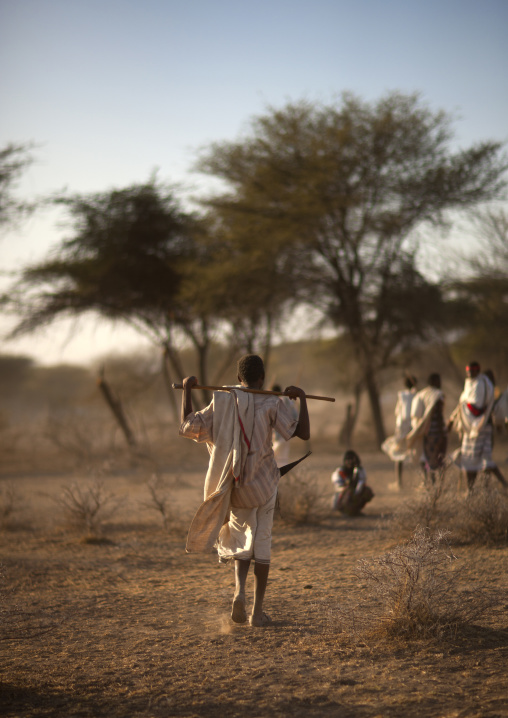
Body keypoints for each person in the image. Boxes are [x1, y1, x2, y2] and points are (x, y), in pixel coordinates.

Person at [179, 354, 310, 628]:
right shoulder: (273, 400)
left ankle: (239, 592)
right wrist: (302, 399)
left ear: (239, 379)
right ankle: (257, 612)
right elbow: (303, 433)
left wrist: (188, 390)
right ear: (261, 378)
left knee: (241, 538)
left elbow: (189, 426)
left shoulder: (223, 399)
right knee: (262, 541)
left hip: (234, 485)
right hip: (263, 484)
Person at [448, 362, 507, 492]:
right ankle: (483, 489)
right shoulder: (485, 388)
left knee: (472, 460)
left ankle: (474, 491)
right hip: (482, 428)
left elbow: (477, 410)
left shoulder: (484, 388)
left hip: (478, 429)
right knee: (482, 461)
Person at [407, 373, 447, 484]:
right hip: (436, 432)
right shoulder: (438, 395)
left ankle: (428, 480)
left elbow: (415, 414)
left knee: (426, 456)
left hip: (424, 432)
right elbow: (438, 414)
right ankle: (435, 482)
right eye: (438, 381)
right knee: (436, 457)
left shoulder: (421, 395)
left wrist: (419, 428)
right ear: (434, 382)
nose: (440, 383)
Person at [381, 374, 417, 488]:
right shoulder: (417, 395)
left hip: (403, 428)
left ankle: (399, 482)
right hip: (414, 427)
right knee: (419, 453)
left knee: (399, 454)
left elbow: (398, 412)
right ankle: (424, 482)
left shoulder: (403, 396)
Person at [331, 450, 374, 516]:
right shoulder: (340, 472)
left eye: (351, 459)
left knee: (367, 491)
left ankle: (356, 510)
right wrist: (347, 485)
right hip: (341, 498)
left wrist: (356, 488)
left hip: (353, 494)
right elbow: (338, 486)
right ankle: (344, 511)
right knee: (349, 491)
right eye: (348, 460)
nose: (349, 462)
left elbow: (362, 482)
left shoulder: (358, 470)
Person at [271, 383, 299, 468]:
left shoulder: (275, 402)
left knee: (275, 455)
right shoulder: (289, 402)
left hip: (279, 436)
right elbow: (295, 415)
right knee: (283, 457)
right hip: (288, 434)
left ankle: (280, 475)